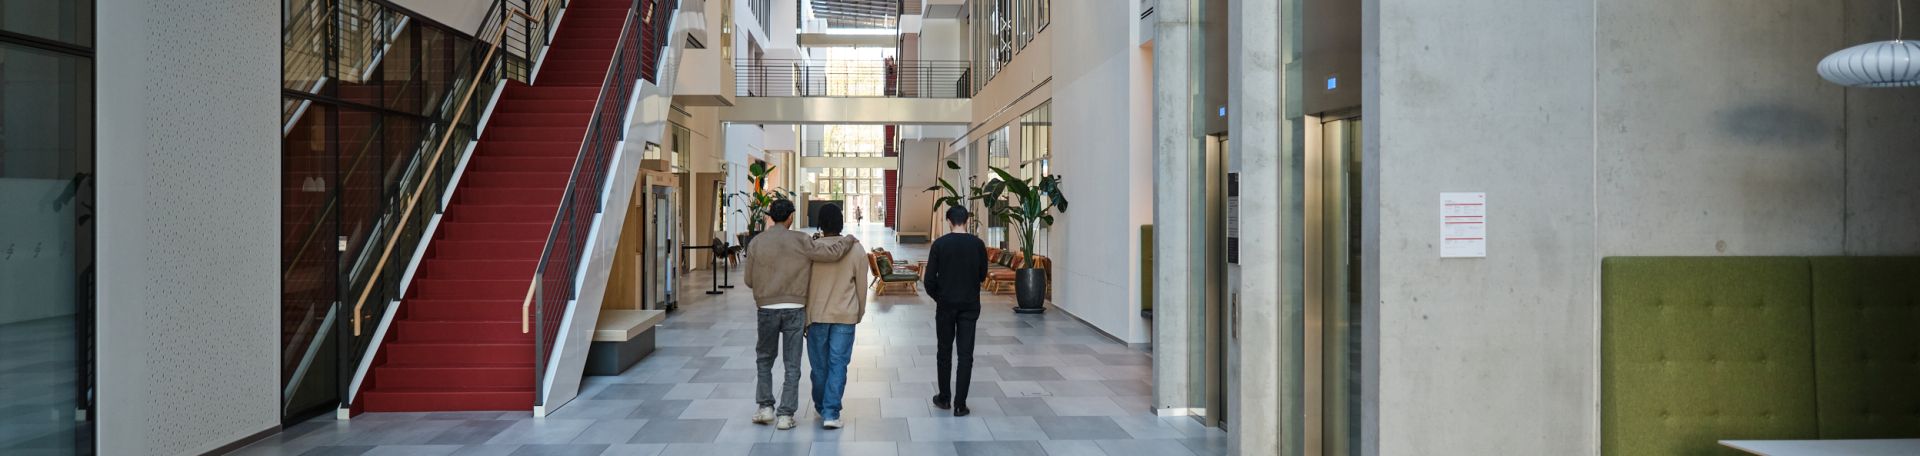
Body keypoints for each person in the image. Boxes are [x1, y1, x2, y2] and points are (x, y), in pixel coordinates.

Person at [743, 199, 856, 430]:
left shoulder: (757, 242)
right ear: (791, 217)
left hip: (766, 309)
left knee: (764, 358)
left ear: (771, 217)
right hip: (795, 309)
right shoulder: (801, 240)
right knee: (792, 363)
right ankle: (786, 415)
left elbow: (748, 280)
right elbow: (831, 253)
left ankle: (765, 407)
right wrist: (849, 240)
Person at [804, 204, 868, 430]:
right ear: (841, 223)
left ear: (820, 223)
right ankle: (831, 412)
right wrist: (858, 313)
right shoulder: (856, 250)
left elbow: (803, 286)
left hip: (816, 315)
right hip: (845, 315)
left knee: (819, 366)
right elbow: (861, 286)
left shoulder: (811, 250)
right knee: (838, 364)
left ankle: (822, 406)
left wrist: (804, 315)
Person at [921, 205, 989, 416]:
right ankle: (960, 404)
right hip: (969, 305)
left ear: (949, 221)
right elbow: (982, 274)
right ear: (966, 220)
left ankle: (944, 398)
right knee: (966, 355)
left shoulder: (940, 245)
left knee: (944, 352)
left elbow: (929, 280)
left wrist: (940, 297)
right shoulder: (977, 244)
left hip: (946, 307)